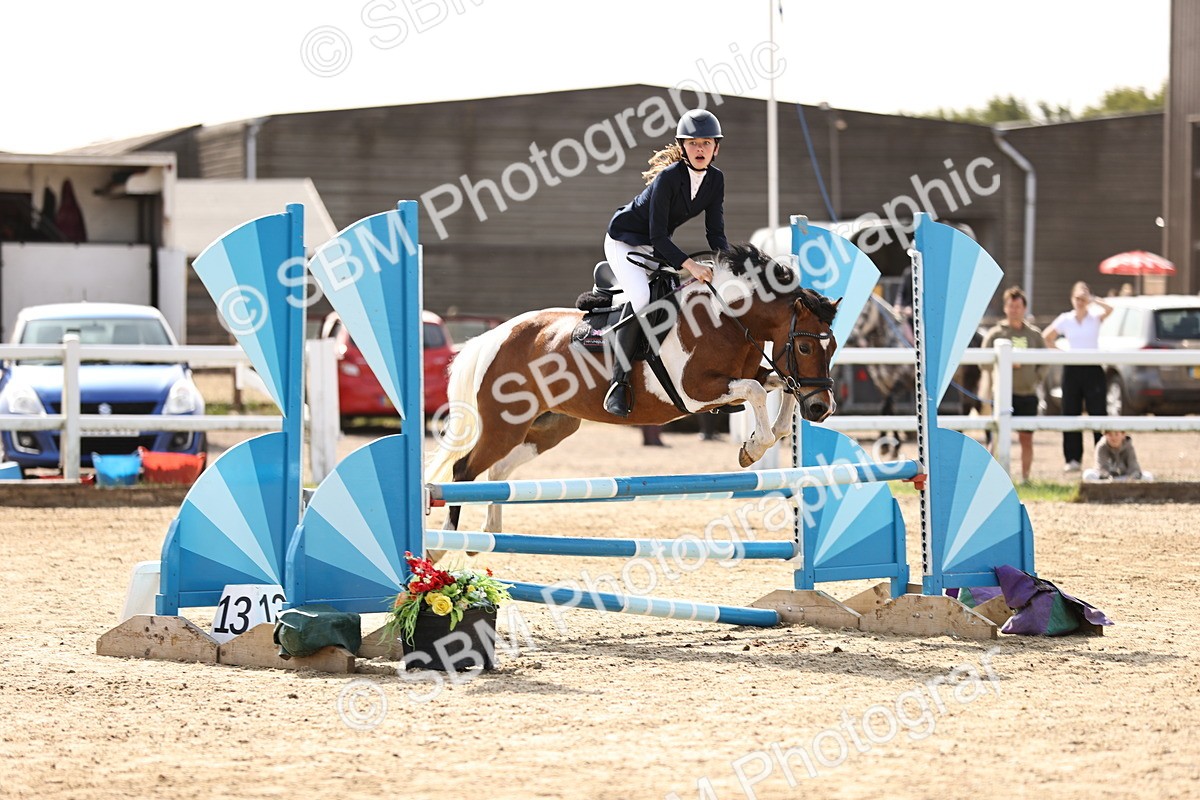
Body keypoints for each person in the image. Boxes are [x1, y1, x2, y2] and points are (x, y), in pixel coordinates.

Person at [601, 108, 728, 417]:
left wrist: (731, 264)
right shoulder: (669, 178)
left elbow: (715, 231)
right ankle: (617, 384)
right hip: (625, 240)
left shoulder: (715, 180)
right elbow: (659, 236)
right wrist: (692, 266)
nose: (700, 149)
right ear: (683, 147)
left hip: (655, 246)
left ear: (716, 148)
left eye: (706, 143)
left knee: (676, 300)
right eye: (693, 143)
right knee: (643, 298)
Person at [1043, 281, 1113, 472]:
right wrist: (1062, 354)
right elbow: (1046, 336)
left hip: (1093, 369)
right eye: (1077, 298)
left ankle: (1103, 458)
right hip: (1072, 369)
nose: (1080, 301)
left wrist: (1092, 300)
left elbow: (1110, 309)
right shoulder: (1065, 319)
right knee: (1070, 412)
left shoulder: (1095, 317)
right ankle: (1073, 459)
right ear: (1071, 298)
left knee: (1098, 412)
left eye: (1083, 298)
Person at [982, 286, 1047, 483]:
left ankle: (1025, 478)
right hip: (1002, 396)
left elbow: (1045, 362)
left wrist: (1035, 378)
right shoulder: (995, 334)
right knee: (996, 438)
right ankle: (993, 480)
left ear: (1024, 308)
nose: (1014, 310)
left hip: (1027, 394)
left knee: (1026, 439)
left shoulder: (1034, 335)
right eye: (1011, 306)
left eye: (1018, 306)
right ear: (1005, 308)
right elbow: (983, 362)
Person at [1082, 430, 1153, 481]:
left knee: (1148, 476)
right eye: (1110, 434)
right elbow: (1101, 467)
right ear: (1105, 435)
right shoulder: (1101, 446)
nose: (1113, 437)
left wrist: (1131, 478)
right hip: (1107, 479)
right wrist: (1108, 478)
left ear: (1123, 434)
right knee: (1088, 474)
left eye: (1116, 434)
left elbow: (1134, 467)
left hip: (1125, 478)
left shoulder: (1129, 447)